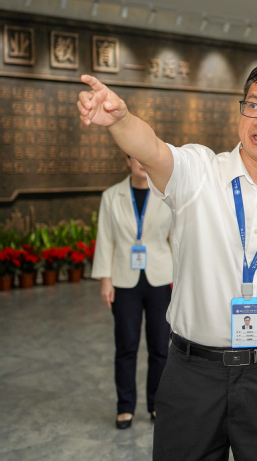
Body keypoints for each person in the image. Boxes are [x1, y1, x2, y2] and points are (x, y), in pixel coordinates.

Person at [76, 60, 257, 460]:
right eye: (253, 105)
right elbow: (153, 150)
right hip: (192, 375)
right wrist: (121, 120)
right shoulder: (199, 171)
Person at [93, 154, 173, 429]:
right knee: (126, 346)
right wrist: (105, 280)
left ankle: (156, 405)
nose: (140, 161)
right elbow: (105, 239)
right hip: (123, 280)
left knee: (160, 347)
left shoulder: (166, 195)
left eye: (144, 156)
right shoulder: (111, 196)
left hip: (161, 279)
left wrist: (181, 279)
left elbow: (175, 239)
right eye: (134, 157)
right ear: (127, 160)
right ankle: (125, 407)